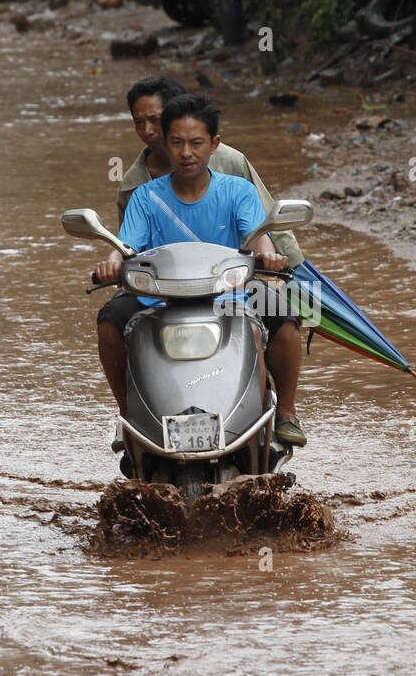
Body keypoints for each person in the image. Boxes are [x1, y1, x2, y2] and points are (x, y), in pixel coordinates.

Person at [95, 93, 308, 448]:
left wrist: (269, 258)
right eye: (176, 143)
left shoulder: (238, 191)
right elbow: (125, 248)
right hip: (158, 300)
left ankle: (285, 412)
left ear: (215, 144)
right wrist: (111, 266)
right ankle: (129, 416)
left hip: (232, 295)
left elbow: (259, 237)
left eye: (196, 143)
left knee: (286, 318)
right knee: (108, 320)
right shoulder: (145, 197)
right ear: (164, 143)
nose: (186, 153)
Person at [117, 75, 303, 268]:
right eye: (138, 122)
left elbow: (265, 224)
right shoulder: (134, 187)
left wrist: (293, 268)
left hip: (232, 276)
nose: (147, 131)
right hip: (165, 282)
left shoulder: (229, 163)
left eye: (155, 120)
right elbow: (128, 248)